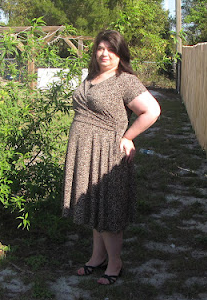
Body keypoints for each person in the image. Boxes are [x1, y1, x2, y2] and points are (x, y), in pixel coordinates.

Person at [62, 29, 161, 285]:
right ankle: (97, 257)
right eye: (100, 48)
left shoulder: (125, 81)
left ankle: (115, 263)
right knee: (96, 206)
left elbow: (152, 110)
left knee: (109, 209)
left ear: (120, 53)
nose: (104, 53)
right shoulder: (92, 76)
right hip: (86, 150)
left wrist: (128, 137)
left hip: (107, 152)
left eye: (111, 49)